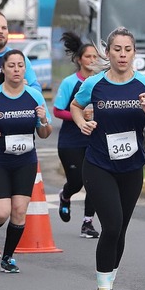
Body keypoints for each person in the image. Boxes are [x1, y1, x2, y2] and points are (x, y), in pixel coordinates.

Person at [71, 27, 145, 290]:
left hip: (132, 166)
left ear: (134, 53)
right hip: (99, 164)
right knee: (111, 225)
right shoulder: (95, 83)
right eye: (117, 50)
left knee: (120, 229)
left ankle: (109, 285)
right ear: (108, 53)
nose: (122, 55)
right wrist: (82, 123)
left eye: (128, 50)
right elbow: (76, 106)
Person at [0, 50, 52, 273]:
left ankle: (8, 258)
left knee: (19, 210)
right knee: (0, 212)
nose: (16, 70)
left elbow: (44, 133)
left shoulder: (34, 96)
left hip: (25, 160)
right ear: (3, 69)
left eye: (20, 66)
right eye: (12, 66)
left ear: (25, 70)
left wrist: (44, 119)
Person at [52, 32, 102, 239]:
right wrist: (79, 116)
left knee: (94, 181)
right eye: (88, 57)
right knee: (77, 181)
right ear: (79, 60)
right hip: (71, 141)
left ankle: (87, 223)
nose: (92, 60)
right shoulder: (69, 82)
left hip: (95, 140)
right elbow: (57, 111)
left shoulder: (102, 81)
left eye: (95, 57)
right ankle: (65, 196)